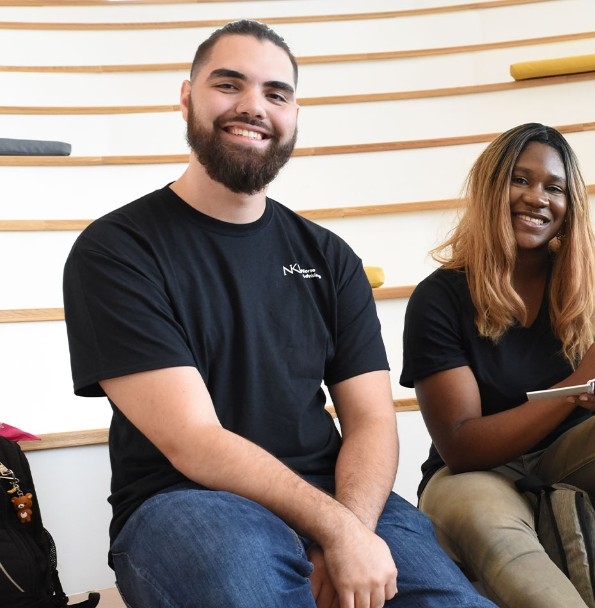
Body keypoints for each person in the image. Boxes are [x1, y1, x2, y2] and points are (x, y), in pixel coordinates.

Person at [62, 20, 494, 608]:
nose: (253, 107)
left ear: (293, 113)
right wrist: (334, 531)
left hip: (340, 494)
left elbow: (370, 420)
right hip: (186, 501)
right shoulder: (117, 250)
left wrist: (349, 529)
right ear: (186, 97)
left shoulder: (329, 258)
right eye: (228, 85)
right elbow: (194, 440)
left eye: (276, 93)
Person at [400, 122, 595, 608]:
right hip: (474, 474)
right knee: (487, 524)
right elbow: (463, 445)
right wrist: (576, 386)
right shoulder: (438, 298)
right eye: (520, 180)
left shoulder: (594, 280)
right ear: (491, 187)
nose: (537, 198)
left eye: (555, 188)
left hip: (575, 453)